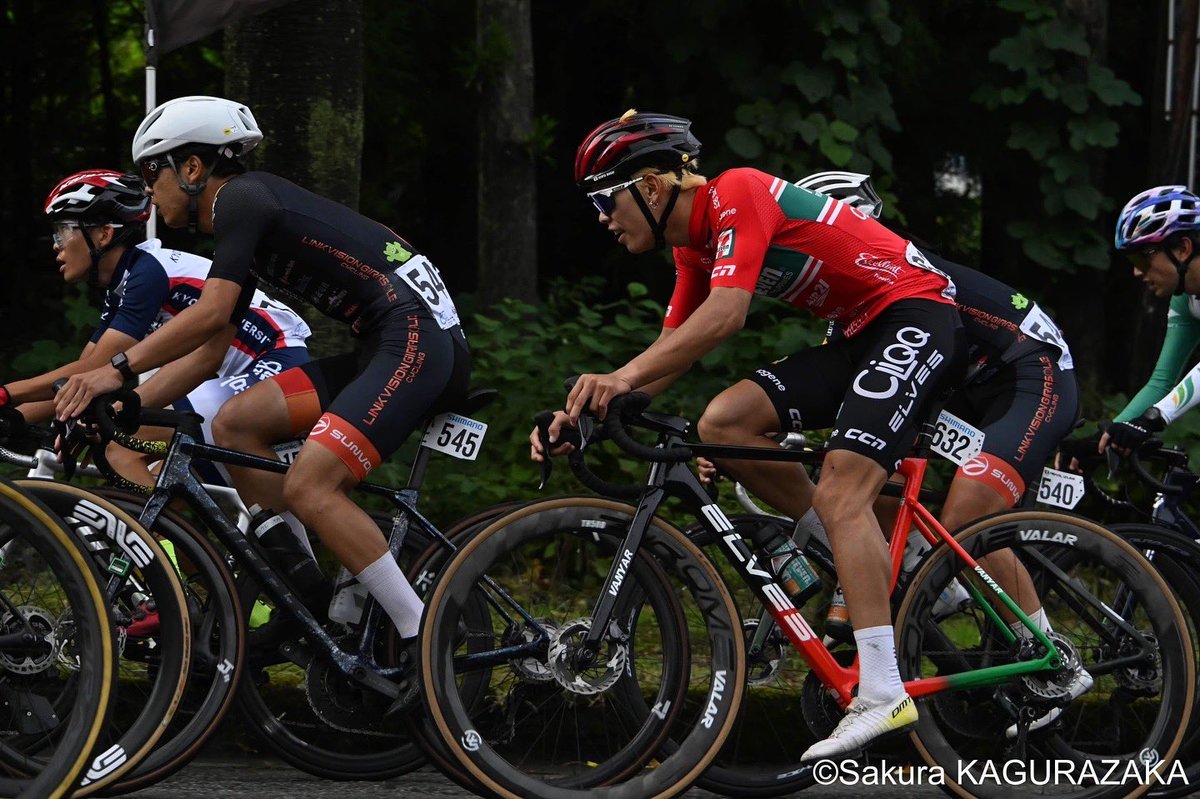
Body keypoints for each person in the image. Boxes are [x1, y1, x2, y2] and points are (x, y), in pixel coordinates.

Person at [532, 110, 966, 759]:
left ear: (649, 186)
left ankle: (882, 691)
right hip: (860, 333)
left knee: (841, 491)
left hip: (915, 313)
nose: (601, 219)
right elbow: (671, 354)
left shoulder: (736, 191)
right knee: (724, 422)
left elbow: (726, 315)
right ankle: (872, 554)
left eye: (604, 200)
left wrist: (617, 378)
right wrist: (584, 414)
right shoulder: (693, 247)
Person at [53, 96, 471, 706]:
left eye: (153, 173)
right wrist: (128, 404)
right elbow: (209, 351)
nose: (150, 193)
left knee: (311, 486)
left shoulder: (241, 200)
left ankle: (423, 642)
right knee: (237, 422)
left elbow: (209, 313)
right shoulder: (244, 215)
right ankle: (304, 589)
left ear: (191, 168)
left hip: (415, 340)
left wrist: (113, 372)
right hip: (390, 340)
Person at [715, 172, 1088, 737]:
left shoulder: (908, 278)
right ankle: (929, 588)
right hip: (957, 389)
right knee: (877, 494)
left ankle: (1053, 657)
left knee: (966, 517)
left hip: (1029, 373)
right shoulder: (857, 312)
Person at [0, 168, 311, 488]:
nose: (56, 246)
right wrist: (17, 414)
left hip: (274, 358)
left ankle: (152, 529)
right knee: (165, 482)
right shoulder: (122, 286)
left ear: (103, 234)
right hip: (231, 371)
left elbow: (98, 367)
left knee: (121, 448)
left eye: (62, 232)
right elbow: (80, 377)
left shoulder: (148, 273)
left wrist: (6, 394)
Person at [1094, 186, 1200, 453]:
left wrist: (1154, 417)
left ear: (1183, 249)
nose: (1137, 272)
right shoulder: (1186, 299)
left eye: (1142, 258)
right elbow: (1162, 382)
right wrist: (1107, 437)